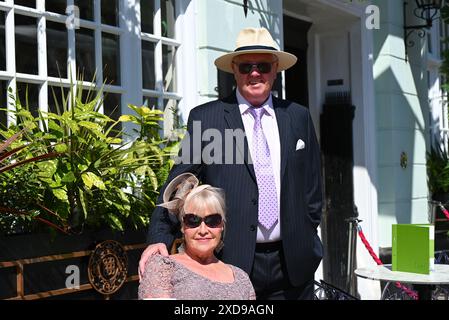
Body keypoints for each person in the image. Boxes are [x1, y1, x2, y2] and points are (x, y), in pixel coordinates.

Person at [139, 27, 323, 300]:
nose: (255, 73)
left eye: (263, 65)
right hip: (232, 262)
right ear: (234, 70)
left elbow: (313, 187)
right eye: (246, 66)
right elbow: (180, 183)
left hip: (294, 263)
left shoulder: (297, 116)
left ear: (275, 70)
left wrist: (307, 230)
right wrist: (158, 236)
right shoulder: (208, 119)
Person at [138, 172, 256, 300]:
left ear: (222, 225)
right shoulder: (163, 267)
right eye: (193, 220)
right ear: (183, 226)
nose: (203, 230)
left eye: (212, 220)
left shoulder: (241, 277)